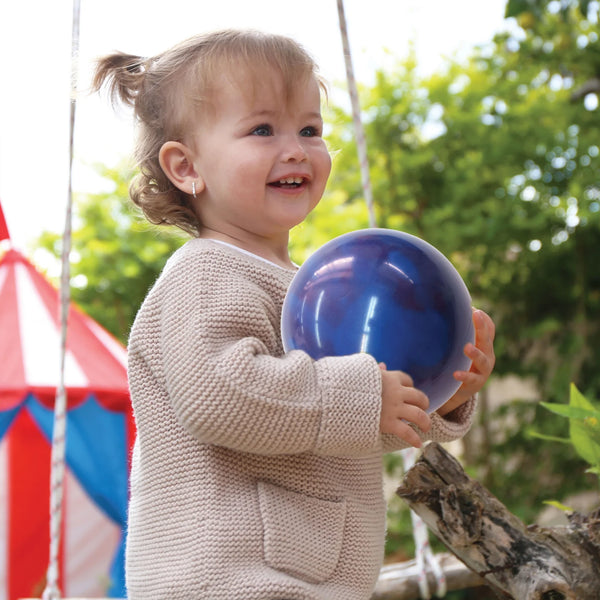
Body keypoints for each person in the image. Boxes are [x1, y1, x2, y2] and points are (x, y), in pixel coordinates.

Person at [93, 29, 495, 600]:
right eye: (263, 129)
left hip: (305, 576)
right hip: (228, 580)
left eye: (310, 129)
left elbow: (341, 424)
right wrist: (360, 396)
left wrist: (444, 394)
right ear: (186, 167)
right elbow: (220, 397)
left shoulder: (313, 292)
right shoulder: (205, 273)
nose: (297, 148)